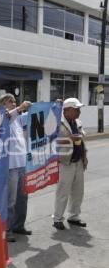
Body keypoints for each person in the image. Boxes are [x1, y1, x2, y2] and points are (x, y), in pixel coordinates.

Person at [0, 93, 32, 242]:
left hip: (22, 165)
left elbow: (34, 115)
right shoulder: (2, 118)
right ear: (2, 105)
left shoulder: (17, 119)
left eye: (14, 100)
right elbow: (10, 116)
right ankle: (7, 229)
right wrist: (20, 107)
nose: (13, 102)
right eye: (9, 101)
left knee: (23, 197)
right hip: (10, 167)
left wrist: (54, 106)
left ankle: (19, 225)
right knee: (10, 201)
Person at [53, 97, 88, 230]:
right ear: (67, 110)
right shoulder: (58, 122)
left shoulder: (77, 121)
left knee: (78, 191)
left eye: (79, 109)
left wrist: (81, 137)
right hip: (65, 162)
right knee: (63, 191)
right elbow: (52, 141)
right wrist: (69, 138)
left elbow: (83, 136)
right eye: (76, 109)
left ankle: (73, 216)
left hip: (78, 161)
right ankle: (57, 218)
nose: (79, 112)